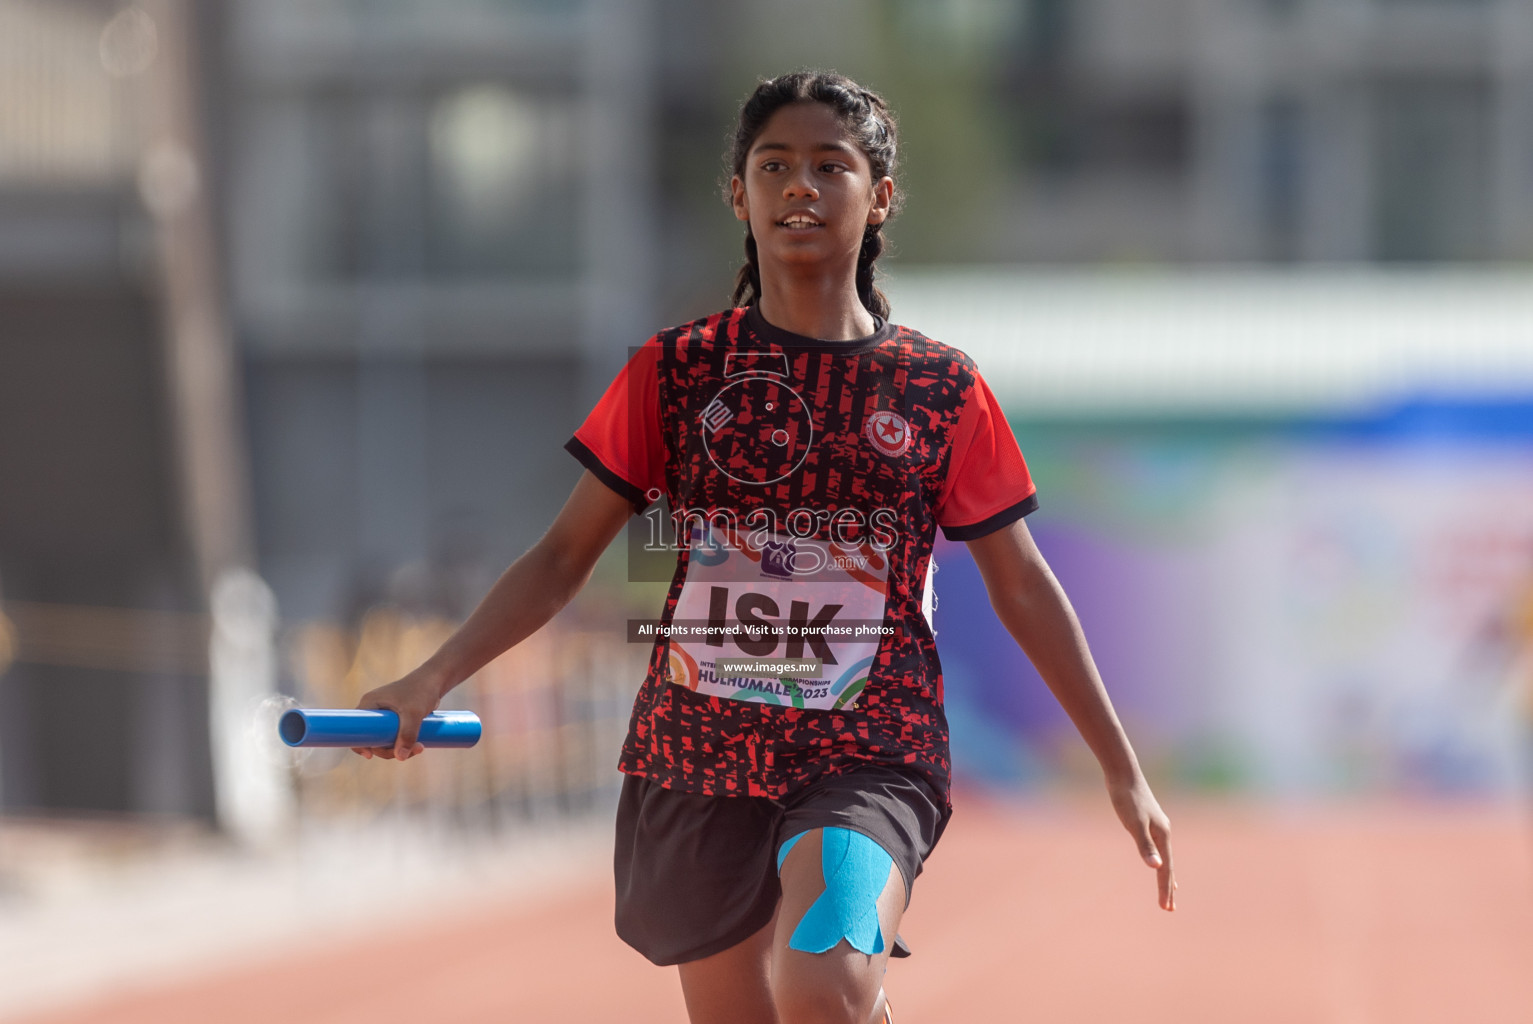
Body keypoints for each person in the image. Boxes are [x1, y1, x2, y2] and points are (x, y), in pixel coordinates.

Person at [353, 70, 1175, 1024]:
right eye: (774, 165)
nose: (800, 186)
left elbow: (1022, 586)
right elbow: (558, 558)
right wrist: (432, 676)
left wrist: (1120, 766)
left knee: (822, 985)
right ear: (737, 195)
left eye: (832, 166)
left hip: (870, 747)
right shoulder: (676, 372)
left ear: (879, 201)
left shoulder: (940, 390)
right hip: (698, 755)